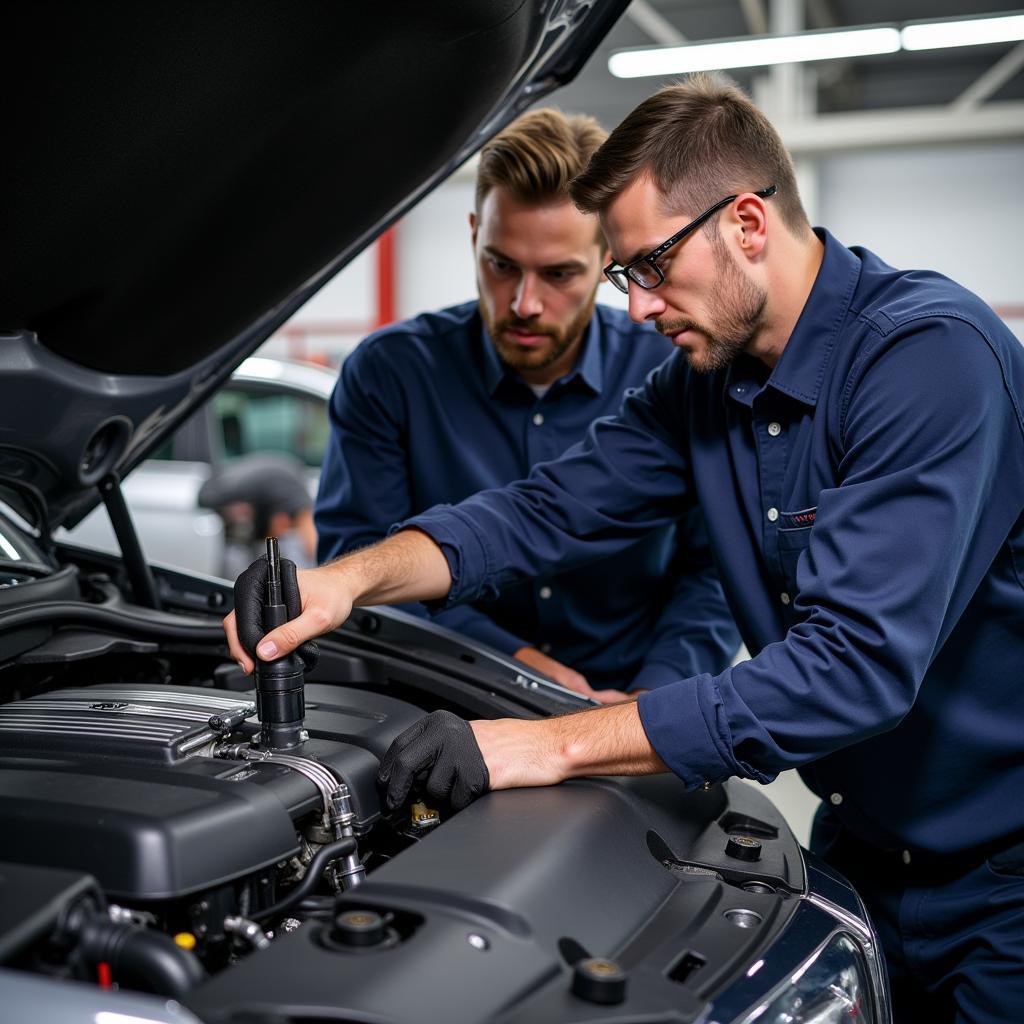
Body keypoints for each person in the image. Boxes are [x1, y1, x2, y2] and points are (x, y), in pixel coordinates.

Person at [227, 76, 1024, 1021]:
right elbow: (540, 511)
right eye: (623, 277)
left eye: (648, 267)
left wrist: (545, 746)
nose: (636, 311)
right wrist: (346, 579)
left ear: (748, 224)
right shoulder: (705, 384)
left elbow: (848, 670)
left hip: (1003, 884)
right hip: (862, 853)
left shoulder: (928, 359)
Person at [314, 108, 738, 699]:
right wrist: (510, 662)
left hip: (633, 703)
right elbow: (359, 563)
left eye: (559, 273)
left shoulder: (671, 370)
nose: (524, 304)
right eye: (500, 265)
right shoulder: (391, 374)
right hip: (448, 700)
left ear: (606, 259)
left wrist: (661, 693)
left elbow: (712, 570)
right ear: (473, 236)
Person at [198, 452, 316, 579]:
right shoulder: (294, 497)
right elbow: (280, 534)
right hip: (212, 498)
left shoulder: (291, 485)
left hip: (213, 484)